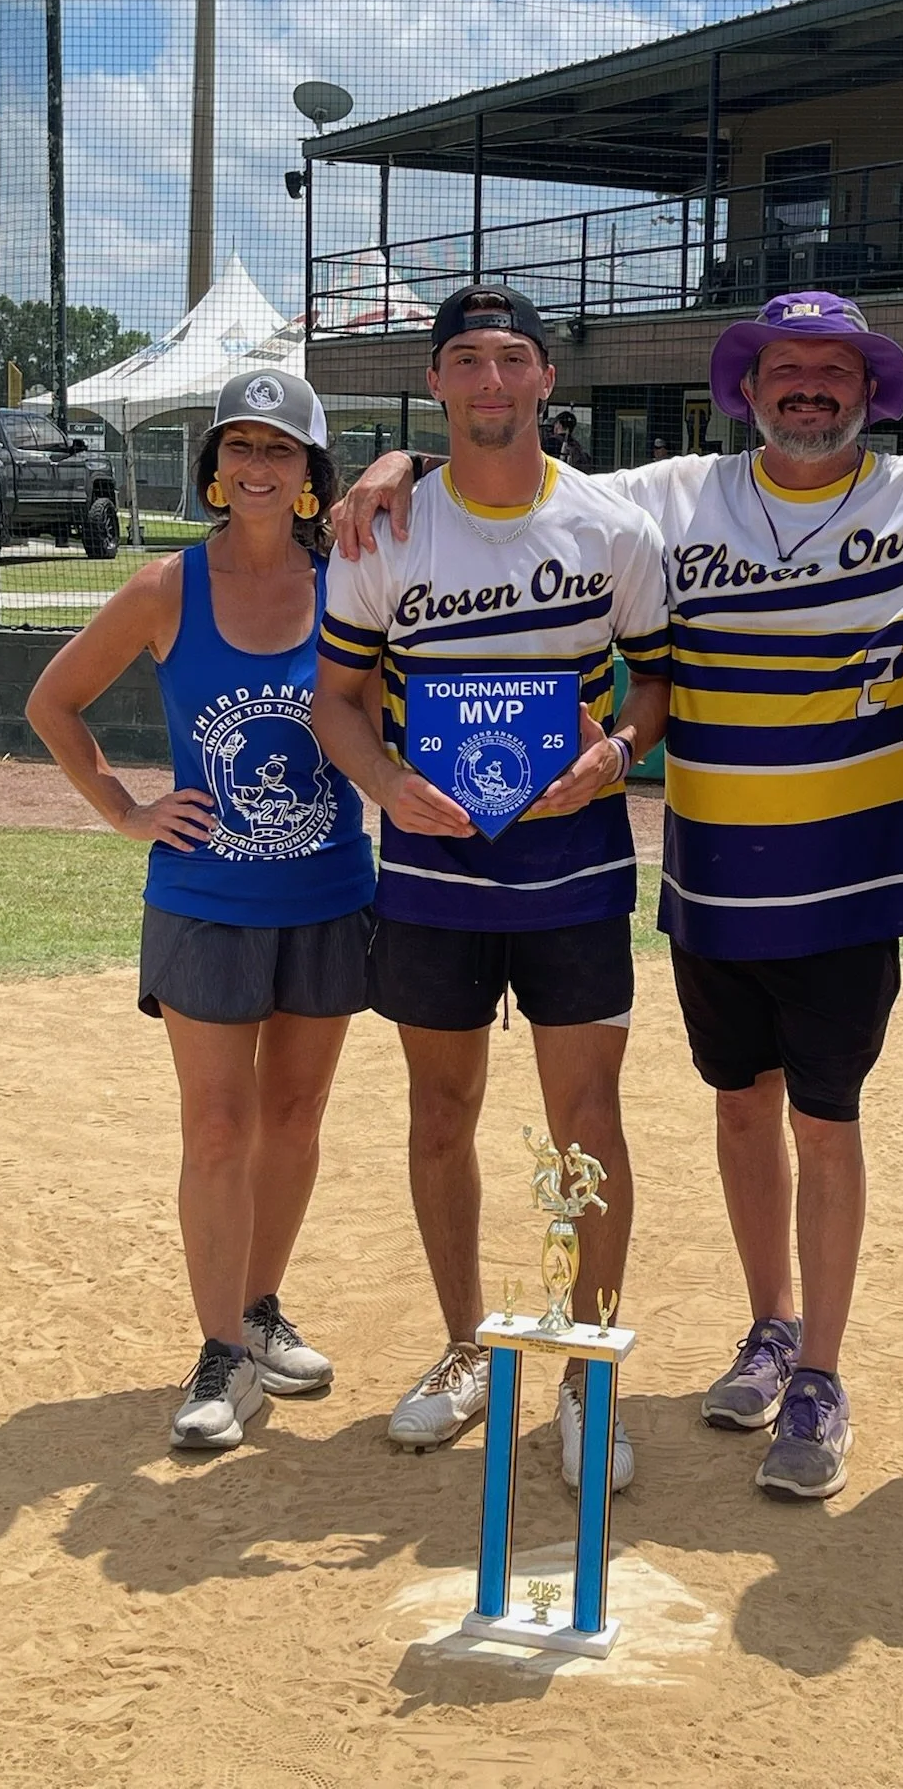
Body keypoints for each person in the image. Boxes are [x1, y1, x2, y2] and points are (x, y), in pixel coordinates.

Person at [336, 290, 903, 1502]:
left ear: (872, 388)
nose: (810, 389)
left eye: (836, 369)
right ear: (748, 385)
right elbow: (518, 467)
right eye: (786, 368)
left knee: (826, 1123)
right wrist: (400, 459)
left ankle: (821, 1372)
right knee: (739, 1114)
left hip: (853, 886)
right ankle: (768, 1325)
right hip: (715, 882)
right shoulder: (669, 497)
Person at [312, 284, 669, 1491]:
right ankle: (467, 1346)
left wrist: (618, 753)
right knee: (439, 1114)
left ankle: (585, 1370)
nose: (492, 382)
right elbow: (339, 702)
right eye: (467, 361)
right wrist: (381, 784)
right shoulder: (385, 531)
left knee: (588, 1129)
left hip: (573, 868)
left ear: (547, 378)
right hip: (429, 871)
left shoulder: (611, 527)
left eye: (512, 358)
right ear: (438, 381)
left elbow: (659, 684)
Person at [27, 371, 377, 1450]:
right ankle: (221, 1347)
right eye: (239, 448)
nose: (257, 467)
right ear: (215, 469)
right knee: (219, 1123)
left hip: (326, 891)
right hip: (205, 897)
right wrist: (126, 810)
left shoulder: (351, 584)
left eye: (280, 450)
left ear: (312, 475)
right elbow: (55, 701)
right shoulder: (166, 586)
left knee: (295, 1118)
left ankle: (261, 1310)